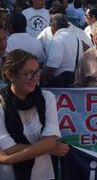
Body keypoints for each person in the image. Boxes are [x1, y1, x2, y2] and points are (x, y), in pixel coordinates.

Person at [0, 50, 69, 179]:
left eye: (37, 72)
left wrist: (8, 159)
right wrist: (48, 150)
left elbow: (49, 141)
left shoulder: (47, 98)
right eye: (28, 74)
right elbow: (8, 147)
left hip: (43, 175)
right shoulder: (1, 103)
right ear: (10, 75)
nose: (35, 78)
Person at [41, 14, 83, 87]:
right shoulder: (77, 38)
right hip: (74, 80)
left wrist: (42, 79)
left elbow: (52, 65)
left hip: (59, 83)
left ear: (53, 26)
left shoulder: (57, 40)